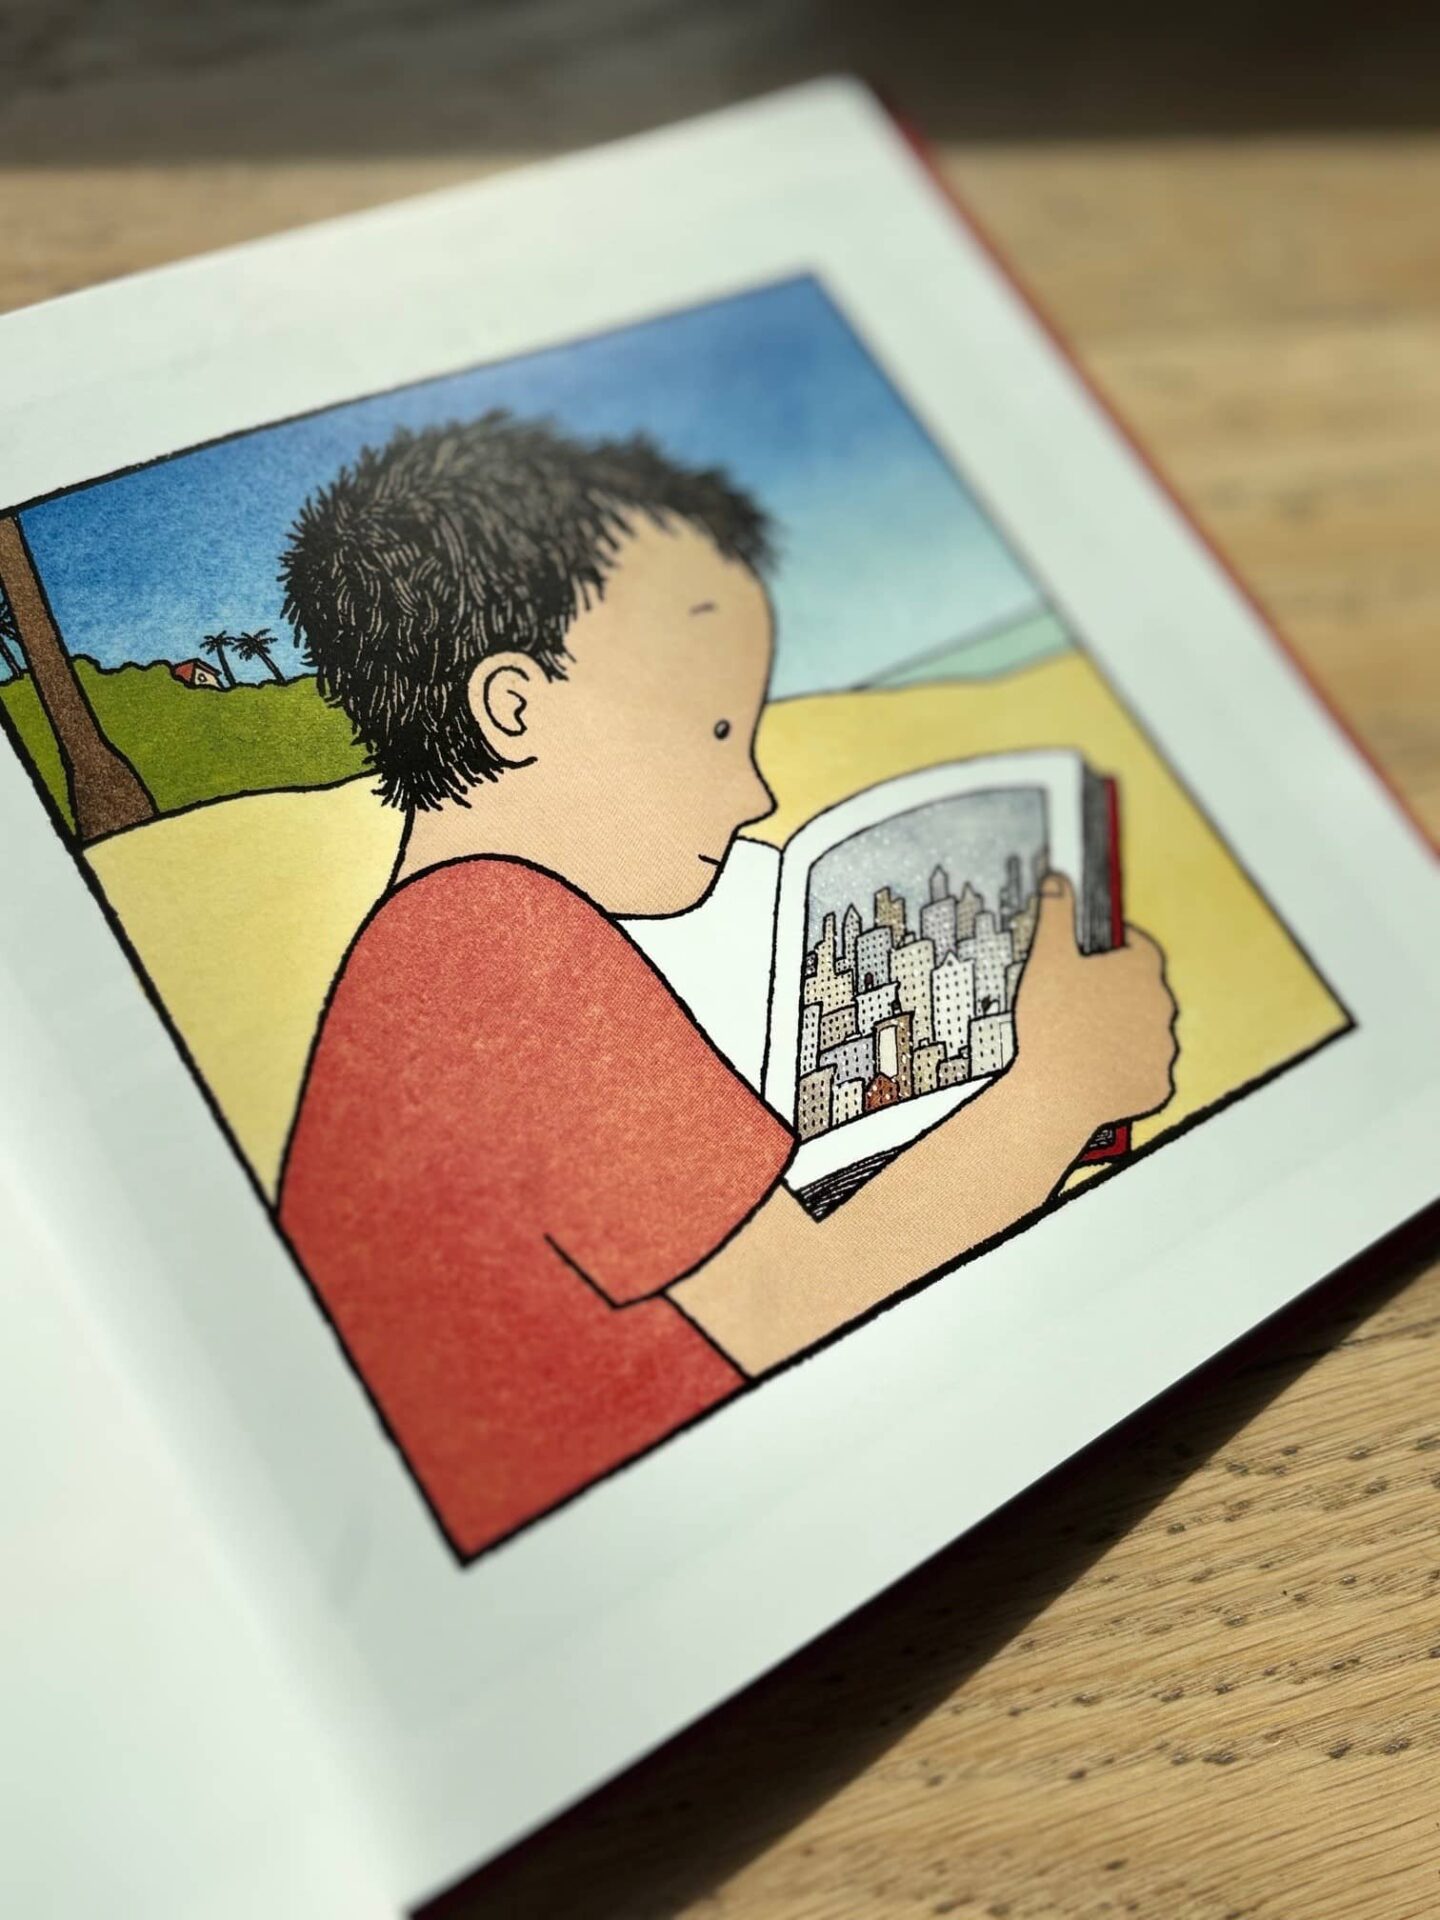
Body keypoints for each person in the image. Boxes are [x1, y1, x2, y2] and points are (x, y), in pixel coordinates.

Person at [278, 413, 1177, 1559]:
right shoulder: (493, 945)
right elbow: (791, 1304)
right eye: (712, 729)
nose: (755, 794)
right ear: (514, 709)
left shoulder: (428, 953)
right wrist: (1057, 1091)